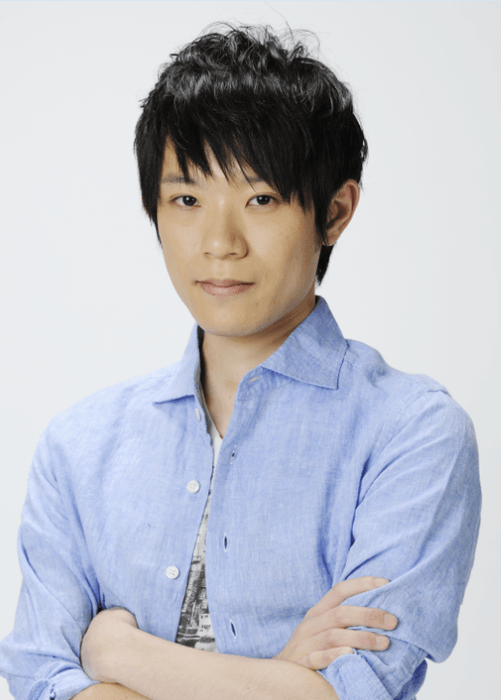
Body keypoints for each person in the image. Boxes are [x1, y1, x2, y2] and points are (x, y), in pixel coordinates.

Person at [0, 23, 481, 700]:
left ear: (335, 211)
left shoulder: (411, 432)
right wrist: (280, 675)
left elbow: (353, 690)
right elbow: (41, 680)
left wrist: (118, 652)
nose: (219, 242)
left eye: (260, 199)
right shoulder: (79, 447)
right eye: (187, 200)